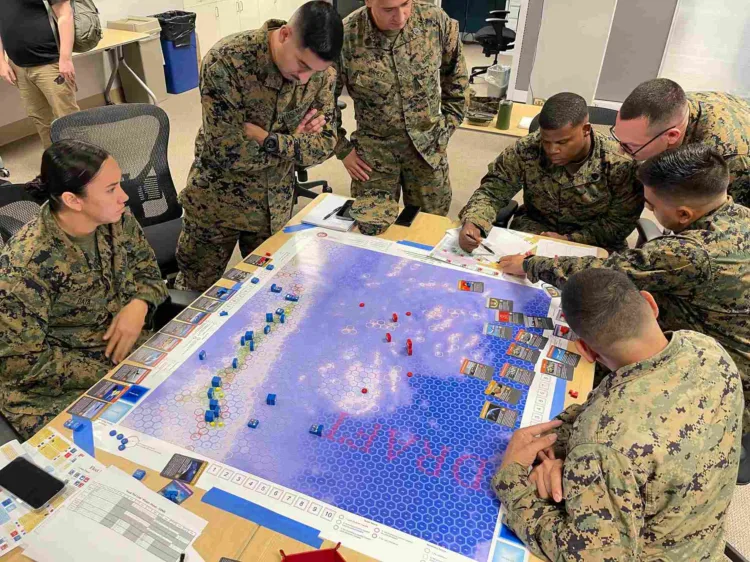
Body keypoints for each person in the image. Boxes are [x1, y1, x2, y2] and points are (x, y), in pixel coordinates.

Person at [493, 269, 743, 561]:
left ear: (586, 351)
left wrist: (512, 480)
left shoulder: (603, 444)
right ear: (650, 303)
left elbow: (593, 557)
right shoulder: (705, 347)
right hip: (700, 538)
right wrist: (571, 455)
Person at [497, 144, 750, 432]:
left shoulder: (692, 253)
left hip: (720, 382)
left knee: (578, 377)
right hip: (715, 341)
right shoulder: (739, 215)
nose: (649, 210)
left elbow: (606, 276)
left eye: (652, 206)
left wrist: (531, 264)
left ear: (683, 214)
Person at [0, 140, 167, 440]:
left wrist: (139, 304)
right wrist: (113, 372)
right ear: (73, 200)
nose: (124, 196)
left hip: (125, 350)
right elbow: (21, 364)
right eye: (111, 189)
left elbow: (149, 272)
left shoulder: (116, 218)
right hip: (57, 388)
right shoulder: (24, 267)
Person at [176, 1, 343, 291]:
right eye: (302, 65)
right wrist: (295, 141)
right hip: (216, 205)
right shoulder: (227, 61)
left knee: (270, 291)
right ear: (285, 34)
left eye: (314, 72)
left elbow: (325, 144)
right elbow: (228, 152)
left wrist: (268, 139)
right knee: (195, 291)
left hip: (274, 208)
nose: (304, 79)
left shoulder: (322, 75)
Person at [334, 0, 468, 218]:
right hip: (374, 156)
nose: (400, 16)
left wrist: (446, 129)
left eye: (405, 4)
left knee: (429, 226)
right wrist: (342, 149)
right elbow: (323, 101)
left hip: (428, 150)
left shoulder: (435, 21)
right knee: (371, 227)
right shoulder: (345, 36)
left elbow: (457, 81)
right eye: (388, 9)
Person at [459, 93, 642, 253]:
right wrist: (474, 221)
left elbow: (620, 222)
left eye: (562, 142)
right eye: (546, 141)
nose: (552, 150)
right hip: (536, 231)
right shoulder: (527, 148)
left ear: (586, 130)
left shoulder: (619, 163)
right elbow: (492, 191)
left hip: (594, 241)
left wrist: (569, 240)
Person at [612, 78, 750, 206]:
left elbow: (730, 218)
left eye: (631, 146)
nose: (620, 150)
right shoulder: (673, 106)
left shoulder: (724, 159)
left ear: (672, 136)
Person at [0, 0, 79, 148]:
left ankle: (81, 160)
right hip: (18, 66)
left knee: (68, 118)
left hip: (49, 63)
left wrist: (65, 58)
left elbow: (65, 13)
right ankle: (54, 158)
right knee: (41, 119)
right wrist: (1, 62)